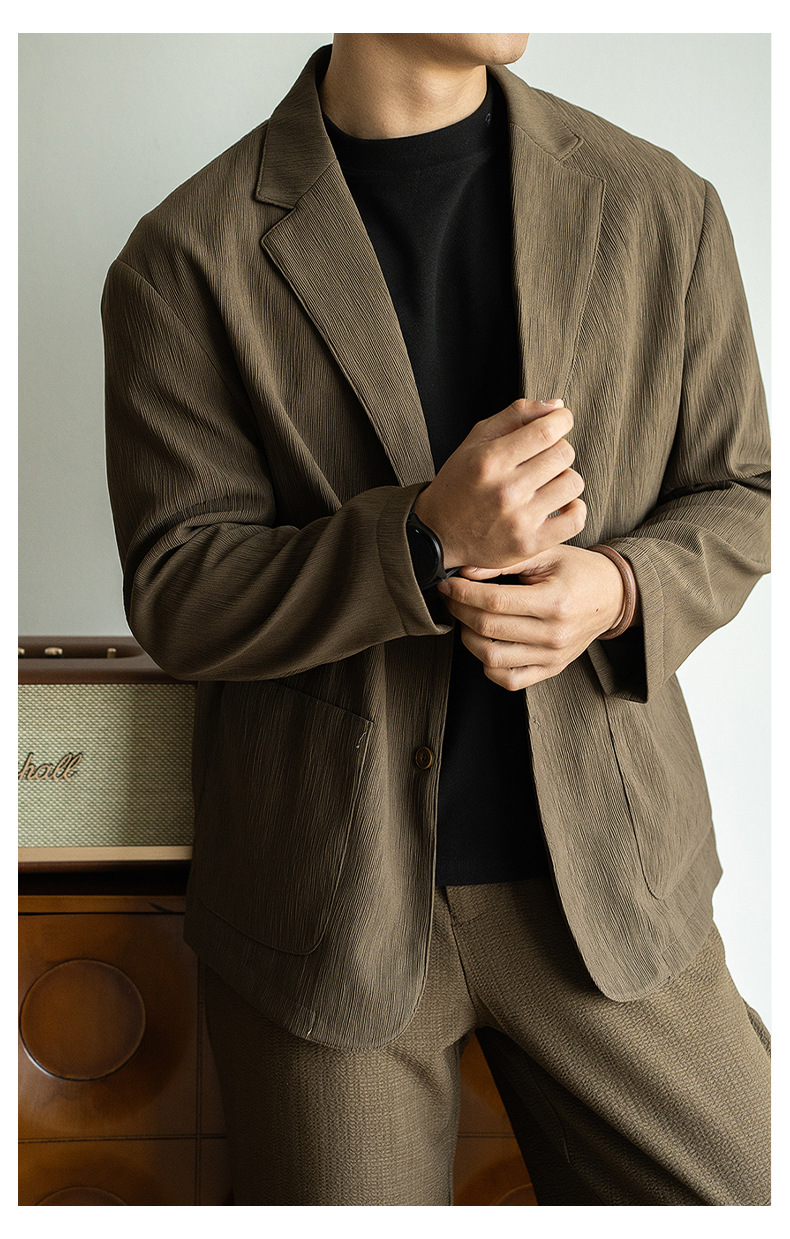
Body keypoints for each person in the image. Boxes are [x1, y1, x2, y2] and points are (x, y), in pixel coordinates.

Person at [102, 34, 771, 1206]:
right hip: (327, 921)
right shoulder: (184, 255)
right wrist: (420, 539)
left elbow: (740, 494)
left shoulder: (660, 204)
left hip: (612, 891)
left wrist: (618, 588)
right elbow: (181, 594)